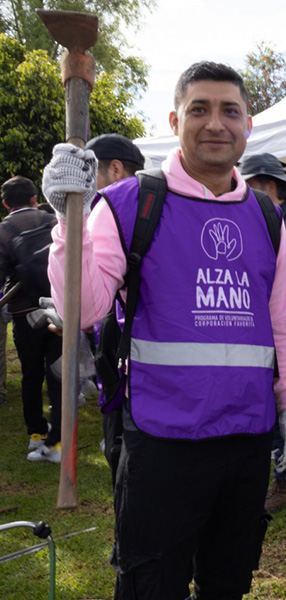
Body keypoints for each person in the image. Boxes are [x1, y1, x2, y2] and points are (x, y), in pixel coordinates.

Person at [42, 61, 286, 599]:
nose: (216, 124)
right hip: (163, 441)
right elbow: (84, 311)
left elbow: (278, 324)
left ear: (247, 124)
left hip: (245, 441)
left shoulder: (266, 215)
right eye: (200, 110)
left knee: (227, 583)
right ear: (174, 119)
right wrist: (68, 222)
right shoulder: (128, 203)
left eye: (230, 111)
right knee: (150, 585)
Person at [241, 152, 286, 512]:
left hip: (279, 328)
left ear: (268, 185)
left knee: (279, 403)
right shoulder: (274, 218)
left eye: (248, 184)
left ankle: (285, 481)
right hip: (262, 327)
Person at [85, 133, 146, 489]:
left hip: (130, 351)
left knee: (125, 448)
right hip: (113, 343)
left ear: (115, 169)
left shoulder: (123, 214)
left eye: (90, 173)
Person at [0, 176, 62, 463]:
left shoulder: (3, 230)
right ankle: (58, 441)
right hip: (59, 308)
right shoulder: (52, 220)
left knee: (31, 376)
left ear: (5, 203)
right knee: (58, 375)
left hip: (25, 313)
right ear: (36, 197)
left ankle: (36, 434)